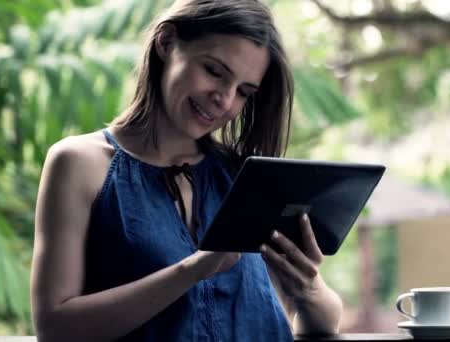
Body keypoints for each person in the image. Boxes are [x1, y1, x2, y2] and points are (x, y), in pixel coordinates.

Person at [30, 0, 343, 341]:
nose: (224, 99)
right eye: (214, 71)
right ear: (166, 42)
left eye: (243, 91)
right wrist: (193, 269)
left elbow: (322, 320)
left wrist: (308, 286)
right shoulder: (80, 163)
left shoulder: (248, 177)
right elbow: (54, 327)